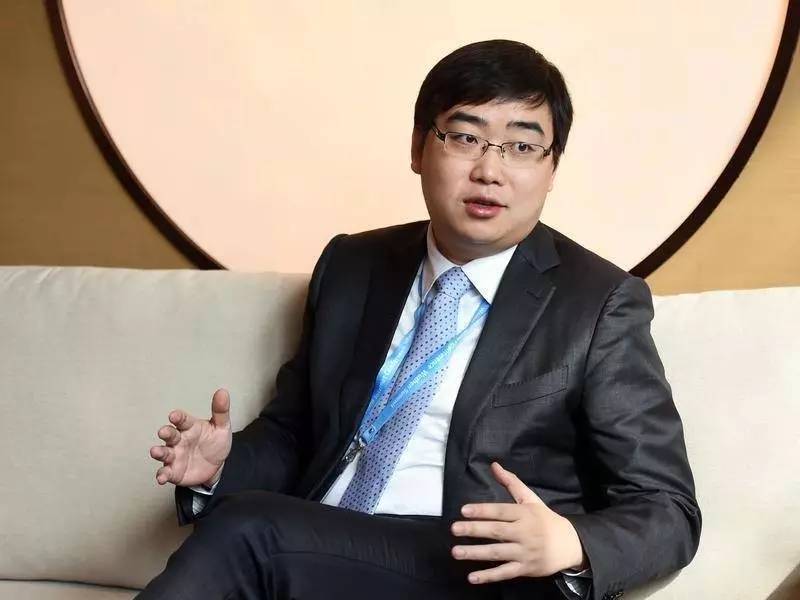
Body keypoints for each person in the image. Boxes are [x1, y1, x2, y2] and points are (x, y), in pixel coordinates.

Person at [139, 39, 701, 600]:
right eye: (466, 138)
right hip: (323, 553)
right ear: (418, 147)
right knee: (247, 527)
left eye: (522, 147)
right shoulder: (353, 266)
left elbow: (668, 509)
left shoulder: (598, 302)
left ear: (552, 168)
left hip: (469, 569)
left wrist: (571, 541)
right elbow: (296, 434)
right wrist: (223, 466)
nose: (489, 170)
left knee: (247, 531)